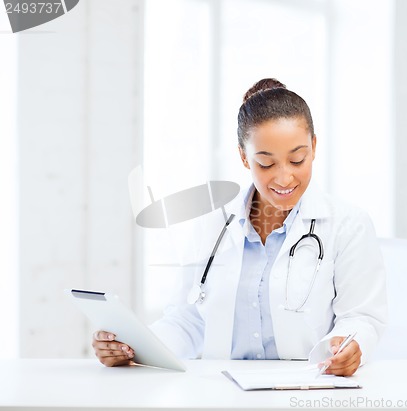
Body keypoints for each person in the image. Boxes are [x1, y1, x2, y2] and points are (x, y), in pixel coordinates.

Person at [92, 78, 387, 376]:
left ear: (313, 146)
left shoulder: (348, 225)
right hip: (222, 391)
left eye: (297, 159)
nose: (284, 178)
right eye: (266, 164)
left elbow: (361, 318)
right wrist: (133, 347)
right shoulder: (212, 225)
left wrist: (349, 345)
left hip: (305, 387)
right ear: (244, 157)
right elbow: (189, 319)